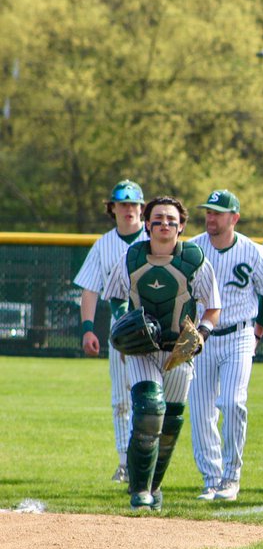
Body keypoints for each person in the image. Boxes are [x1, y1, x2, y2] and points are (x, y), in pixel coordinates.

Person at [103, 196, 221, 511]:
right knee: (148, 410)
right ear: (148, 224)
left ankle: (154, 487)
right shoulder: (131, 257)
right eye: (158, 218)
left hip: (178, 352)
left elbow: (213, 308)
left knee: (169, 421)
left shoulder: (195, 261)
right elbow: (115, 296)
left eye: (171, 219)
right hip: (143, 350)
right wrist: (124, 319)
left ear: (181, 226)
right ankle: (138, 490)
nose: (164, 224)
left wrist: (203, 334)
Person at [188, 190, 263, 502]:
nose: (211, 217)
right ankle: (210, 478)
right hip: (201, 337)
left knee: (232, 403)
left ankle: (231, 477)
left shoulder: (254, 252)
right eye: (208, 212)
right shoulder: (192, 249)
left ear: (234, 218)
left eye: (218, 212)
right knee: (200, 411)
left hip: (240, 334)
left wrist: (258, 333)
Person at [74, 180, 147, 483]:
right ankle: (124, 462)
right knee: (122, 399)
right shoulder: (104, 244)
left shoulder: (156, 237)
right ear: (113, 208)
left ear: (142, 208)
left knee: (156, 400)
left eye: (133, 204)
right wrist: (88, 329)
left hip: (156, 335)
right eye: (123, 204)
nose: (128, 209)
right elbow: (90, 289)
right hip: (120, 333)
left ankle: (148, 460)